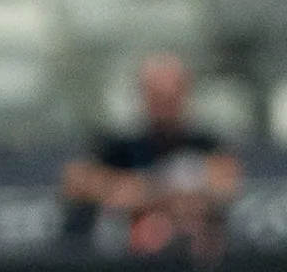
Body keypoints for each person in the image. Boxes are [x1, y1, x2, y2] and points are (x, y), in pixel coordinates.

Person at [61, 54, 242, 259]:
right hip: (120, 259)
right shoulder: (117, 146)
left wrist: (133, 192)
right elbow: (77, 181)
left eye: (171, 97)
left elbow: (225, 183)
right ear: (142, 95)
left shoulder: (206, 143)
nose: (164, 106)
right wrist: (179, 188)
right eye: (157, 96)